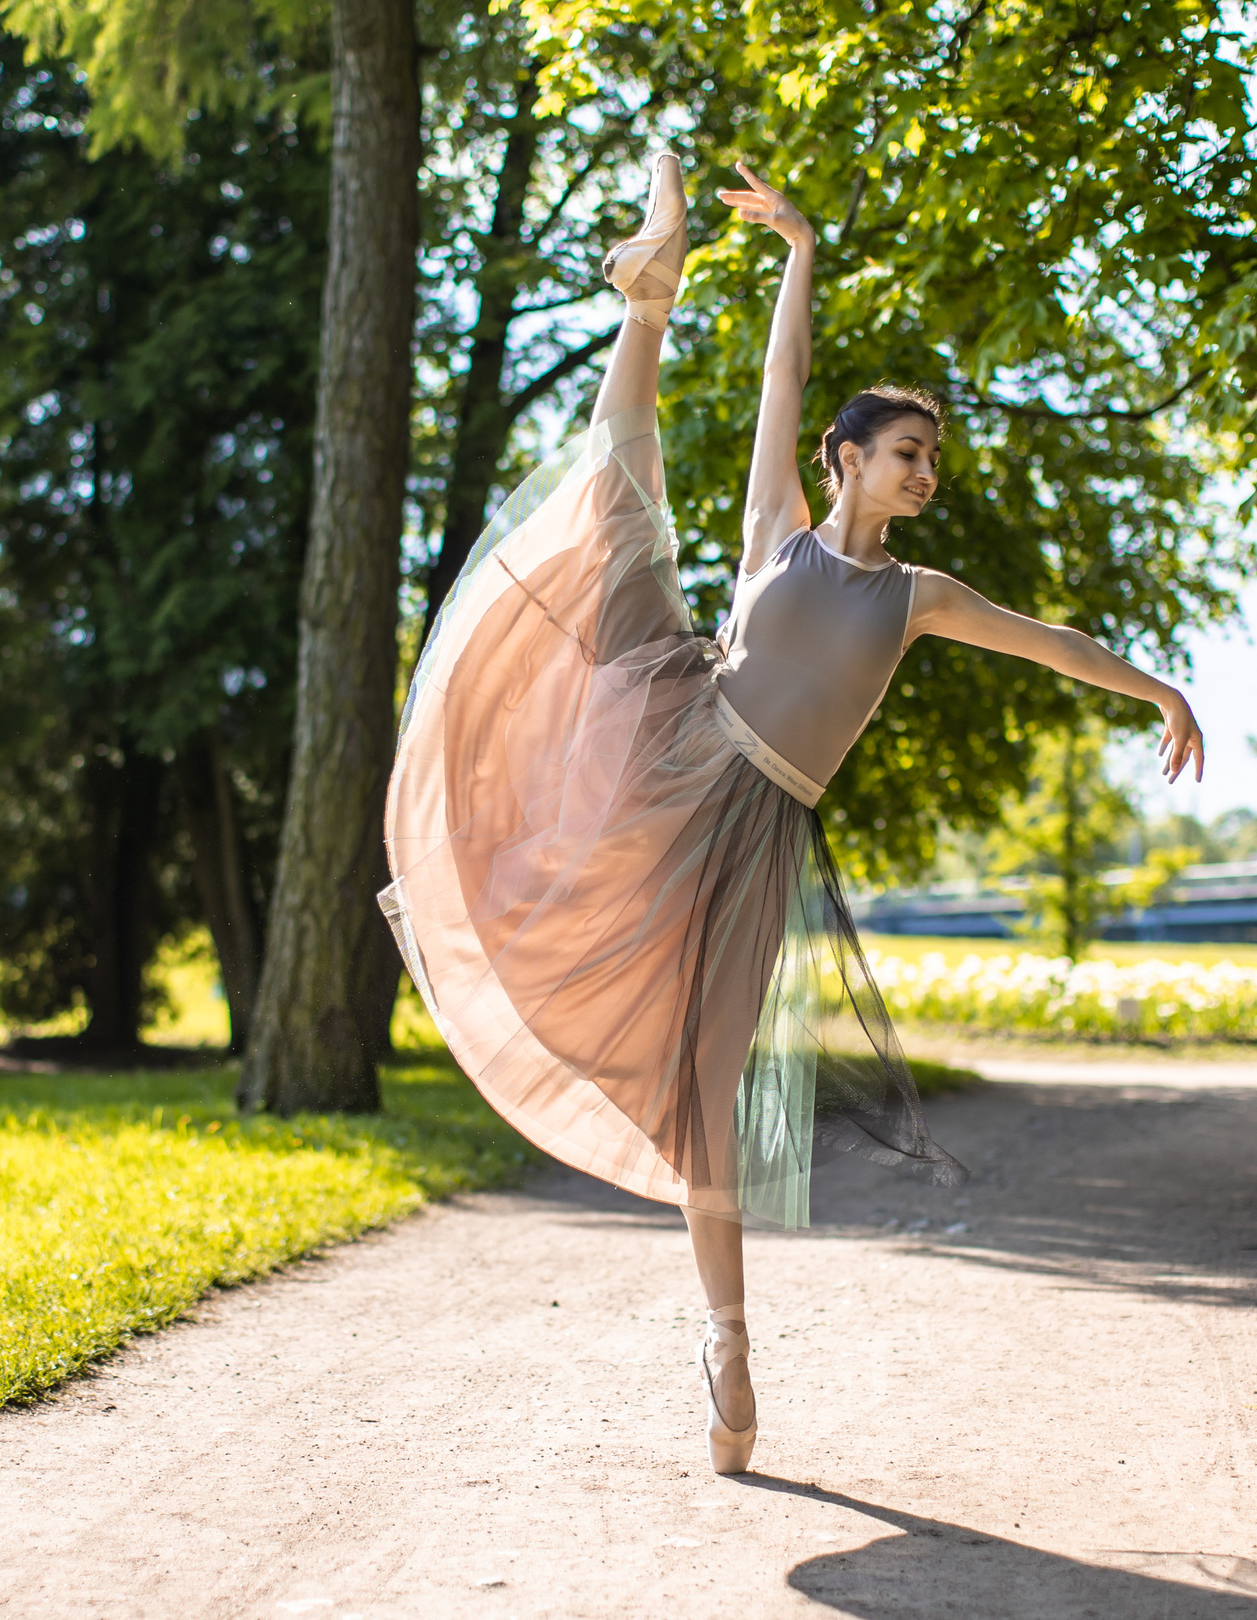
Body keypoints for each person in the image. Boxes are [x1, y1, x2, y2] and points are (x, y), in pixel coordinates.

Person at [381, 154, 1205, 1476]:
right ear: (848, 462)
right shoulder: (777, 531)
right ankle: (648, 296)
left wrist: (1152, 684)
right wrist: (798, 252)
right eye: (905, 453)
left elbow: (1046, 642)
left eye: (930, 457)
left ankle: (729, 1343)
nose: (925, 472)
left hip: (761, 834)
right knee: (615, 510)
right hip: (682, 746)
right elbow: (782, 380)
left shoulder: (919, 595)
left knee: (707, 1092)